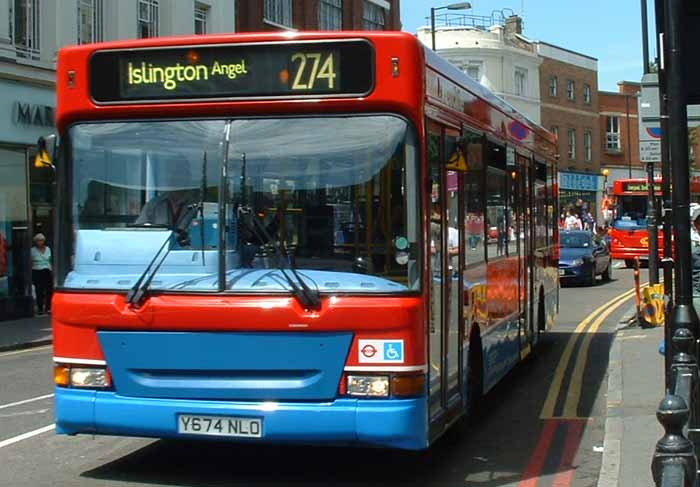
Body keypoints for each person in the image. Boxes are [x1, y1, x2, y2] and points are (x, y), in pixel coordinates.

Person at [31, 233, 53, 315]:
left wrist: (52, 270)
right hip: (37, 271)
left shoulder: (48, 249)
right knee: (39, 290)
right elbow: (30, 262)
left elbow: (50, 260)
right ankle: (40, 308)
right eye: (38, 240)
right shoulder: (32, 250)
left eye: (42, 240)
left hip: (47, 270)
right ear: (35, 241)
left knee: (49, 290)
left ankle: (48, 308)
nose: (40, 242)